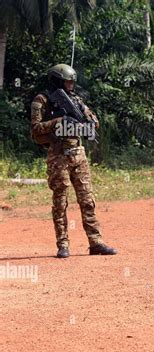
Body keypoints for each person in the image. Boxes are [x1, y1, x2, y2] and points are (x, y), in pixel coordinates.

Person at [30, 64, 117, 259]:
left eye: (72, 82)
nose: (71, 85)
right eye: (68, 81)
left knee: (87, 200)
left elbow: (93, 120)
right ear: (58, 80)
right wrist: (58, 122)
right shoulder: (41, 100)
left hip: (78, 154)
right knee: (60, 201)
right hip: (58, 155)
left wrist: (88, 122)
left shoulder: (76, 100)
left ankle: (96, 242)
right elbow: (35, 129)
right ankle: (63, 245)